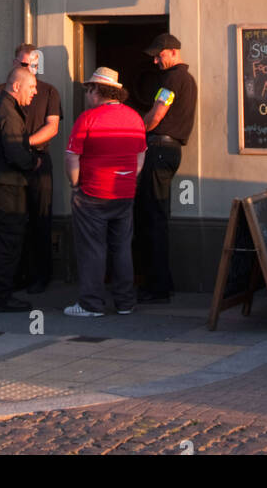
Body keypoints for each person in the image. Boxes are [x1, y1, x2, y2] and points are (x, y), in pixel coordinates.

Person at [63, 68, 147, 317]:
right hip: (124, 192)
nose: (87, 94)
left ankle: (91, 304)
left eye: (89, 89)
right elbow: (140, 154)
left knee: (93, 248)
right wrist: (130, 178)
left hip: (92, 193)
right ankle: (125, 302)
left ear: (96, 90)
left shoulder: (87, 118)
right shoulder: (135, 118)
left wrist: (75, 184)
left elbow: (71, 157)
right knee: (121, 247)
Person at [0, 44, 61, 294]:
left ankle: (40, 276)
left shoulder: (48, 92)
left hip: (36, 161)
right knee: (11, 222)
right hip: (9, 165)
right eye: (25, 64)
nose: (30, 69)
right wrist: (14, 148)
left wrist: (23, 144)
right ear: (15, 62)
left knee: (40, 218)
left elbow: (52, 127)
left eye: (34, 65)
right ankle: (10, 278)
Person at [133, 33, 198, 303]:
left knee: (152, 218)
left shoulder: (173, 79)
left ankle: (157, 286)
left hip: (159, 149)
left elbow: (158, 112)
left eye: (160, 55)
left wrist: (137, 131)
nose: (157, 60)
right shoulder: (185, 79)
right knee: (157, 216)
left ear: (173, 52)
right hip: (170, 151)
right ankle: (162, 283)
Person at [0, 64, 38, 311]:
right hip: (6, 187)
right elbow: (14, 153)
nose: (34, 92)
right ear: (16, 86)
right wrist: (33, 161)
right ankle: (0, 297)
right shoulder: (10, 113)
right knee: (7, 242)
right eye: (31, 87)